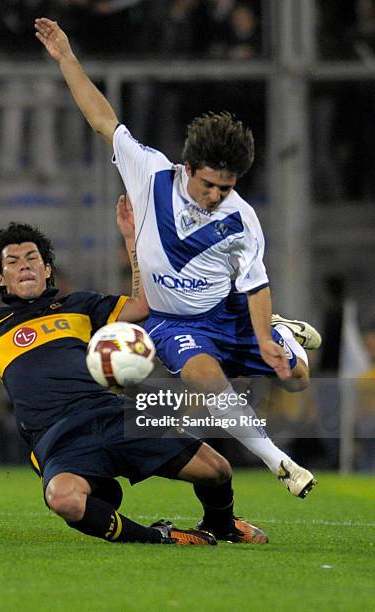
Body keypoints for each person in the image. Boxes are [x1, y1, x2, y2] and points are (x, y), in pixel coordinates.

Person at [0, 199, 268, 545]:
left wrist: (132, 244)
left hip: (110, 414)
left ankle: (223, 525)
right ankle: (160, 537)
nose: (23, 264)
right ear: (1, 279)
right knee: (64, 499)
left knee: (217, 469)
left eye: (32, 258)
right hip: (56, 436)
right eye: (12, 261)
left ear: (46, 269)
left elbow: (139, 307)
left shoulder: (79, 305)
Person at [34, 17, 321, 498]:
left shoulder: (243, 219)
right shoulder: (149, 173)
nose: (214, 195)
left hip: (228, 311)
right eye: (208, 183)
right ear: (188, 167)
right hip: (172, 321)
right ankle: (280, 462)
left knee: (295, 379)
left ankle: (279, 329)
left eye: (225, 187)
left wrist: (262, 334)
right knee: (204, 378)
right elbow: (102, 119)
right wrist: (67, 57)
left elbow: (255, 286)